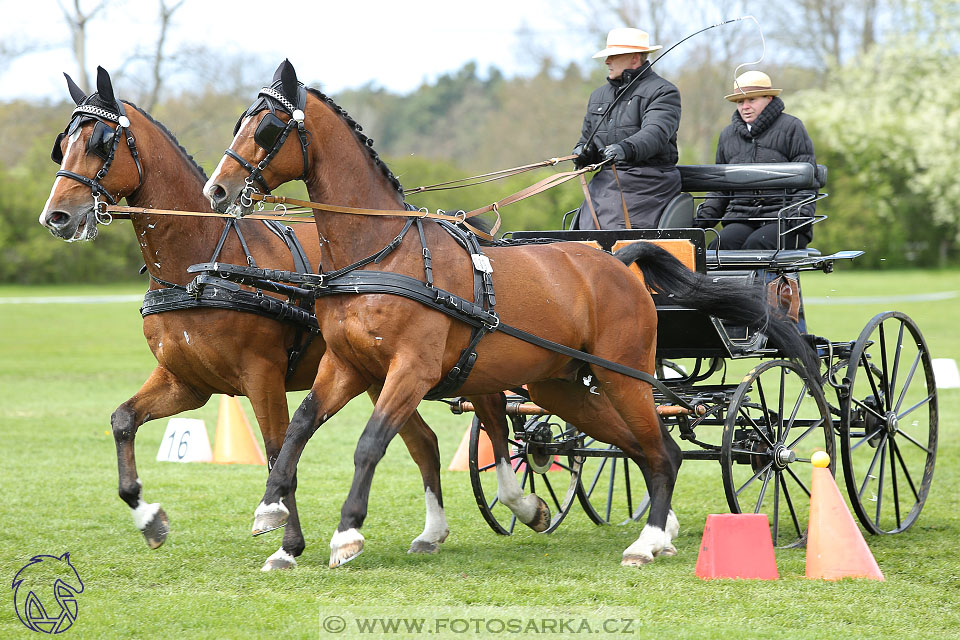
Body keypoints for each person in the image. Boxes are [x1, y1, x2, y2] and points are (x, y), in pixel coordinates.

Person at [572, 28, 681, 230]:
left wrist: (625, 148)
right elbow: (587, 139)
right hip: (605, 183)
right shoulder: (598, 96)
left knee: (614, 232)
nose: (607, 62)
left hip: (648, 182)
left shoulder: (664, 92)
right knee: (581, 235)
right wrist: (583, 153)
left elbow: (655, 134)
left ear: (634, 58)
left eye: (613, 56)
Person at [694, 70, 817, 249]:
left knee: (756, 244)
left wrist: (798, 217)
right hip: (741, 218)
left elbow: (807, 181)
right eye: (740, 101)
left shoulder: (792, 127)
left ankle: (763, 279)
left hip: (782, 219)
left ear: (769, 99)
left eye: (752, 100)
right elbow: (720, 188)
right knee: (719, 247)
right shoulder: (727, 135)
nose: (745, 106)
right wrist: (700, 223)